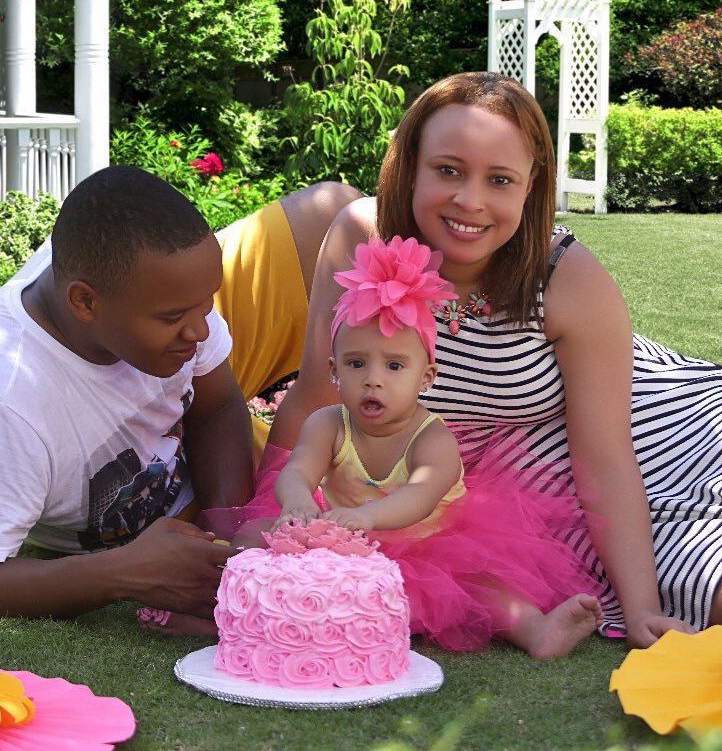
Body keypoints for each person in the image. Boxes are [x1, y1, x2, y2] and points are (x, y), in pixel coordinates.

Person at [270, 71, 722, 648]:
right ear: (410, 163)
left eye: (500, 179)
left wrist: (640, 607)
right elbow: (316, 391)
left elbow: (608, 462)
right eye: (448, 170)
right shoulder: (360, 236)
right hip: (524, 488)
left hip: (660, 432)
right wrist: (256, 523)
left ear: (530, 186)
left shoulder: (565, 275)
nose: (471, 201)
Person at [0, 165, 358, 619]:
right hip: (138, 528)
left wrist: (231, 532)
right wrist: (121, 573)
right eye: (174, 317)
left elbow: (215, 407)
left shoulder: (161, 297)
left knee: (339, 213)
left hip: (199, 466)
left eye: (207, 303)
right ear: (85, 302)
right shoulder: (1, 397)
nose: (200, 329)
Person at [159, 234, 604, 656]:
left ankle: (535, 629)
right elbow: (297, 469)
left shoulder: (432, 436)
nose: (373, 378)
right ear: (334, 370)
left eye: (394, 366)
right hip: (340, 535)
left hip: (428, 541)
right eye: (356, 363)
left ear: (425, 377)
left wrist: (363, 518)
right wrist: (296, 502)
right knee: (254, 536)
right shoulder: (328, 423)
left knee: (482, 582)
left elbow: (421, 496)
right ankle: (217, 610)